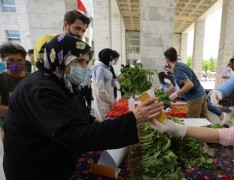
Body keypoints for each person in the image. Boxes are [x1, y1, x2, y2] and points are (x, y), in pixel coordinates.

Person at [3, 35, 164, 179]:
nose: (84, 67)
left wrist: (99, 124)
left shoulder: (62, 83)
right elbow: (74, 135)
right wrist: (133, 118)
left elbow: (79, 116)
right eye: (79, 61)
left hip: (55, 161)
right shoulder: (41, 89)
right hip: (35, 169)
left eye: (86, 62)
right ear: (59, 57)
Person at [164, 47, 208, 118]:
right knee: (204, 120)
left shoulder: (176, 70)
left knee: (193, 122)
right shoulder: (181, 65)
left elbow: (189, 84)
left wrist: (175, 94)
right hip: (202, 94)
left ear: (167, 60)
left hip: (194, 98)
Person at [0, 42, 29, 133]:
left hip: (31, 124)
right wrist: (23, 110)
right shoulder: (2, 79)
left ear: (24, 61)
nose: (15, 63)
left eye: (19, 60)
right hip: (10, 126)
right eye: (11, 60)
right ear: (3, 59)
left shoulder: (31, 78)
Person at [91, 48, 116, 120]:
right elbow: (100, 89)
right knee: (104, 121)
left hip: (106, 100)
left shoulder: (104, 68)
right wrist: (109, 100)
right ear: (110, 57)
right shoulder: (100, 68)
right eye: (113, 58)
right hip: (103, 101)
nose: (113, 60)